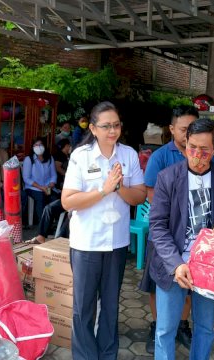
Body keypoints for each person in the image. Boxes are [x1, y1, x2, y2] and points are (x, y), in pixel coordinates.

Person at [149, 118, 214, 360]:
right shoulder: (168, 177)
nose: (196, 155)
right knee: (165, 330)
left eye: (204, 150)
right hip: (174, 264)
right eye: (192, 147)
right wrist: (176, 264)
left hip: (210, 265)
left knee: (204, 328)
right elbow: (157, 226)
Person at [61, 101, 146, 360]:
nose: (112, 130)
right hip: (87, 243)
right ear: (94, 128)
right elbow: (68, 201)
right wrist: (103, 189)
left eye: (116, 125)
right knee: (84, 308)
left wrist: (119, 187)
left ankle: (107, 354)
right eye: (106, 126)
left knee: (110, 306)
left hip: (116, 244)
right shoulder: (81, 155)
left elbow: (140, 196)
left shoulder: (129, 155)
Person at [139, 105, 199, 353]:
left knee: (190, 286)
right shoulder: (161, 157)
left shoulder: (204, 155)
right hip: (164, 235)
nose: (188, 135)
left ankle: (182, 325)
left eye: (193, 129)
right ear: (172, 129)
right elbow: (152, 197)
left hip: (195, 239)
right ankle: (158, 325)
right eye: (184, 129)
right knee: (159, 285)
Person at [23, 138, 57, 224]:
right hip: (33, 188)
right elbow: (26, 178)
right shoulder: (29, 159)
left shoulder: (50, 158)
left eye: (40, 145)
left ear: (44, 146)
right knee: (41, 198)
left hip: (48, 186)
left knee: (54, 198)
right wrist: (41, 188)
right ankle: (42, 225)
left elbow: (53, 175)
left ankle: (53, 223)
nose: (38, 147)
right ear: (32, 147)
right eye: (36, 145)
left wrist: (50, 186)